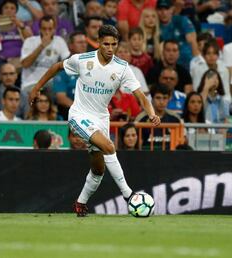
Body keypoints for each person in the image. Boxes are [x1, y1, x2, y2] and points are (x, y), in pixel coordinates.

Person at [29, 25, 161, 217]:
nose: (110, 48)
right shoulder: (82, 60)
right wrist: (36, 88)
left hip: (101, 119)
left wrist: (151, 113)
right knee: (109, 146)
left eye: (114, 44)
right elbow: (57, 67)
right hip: (79, 115)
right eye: (106, 44)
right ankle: (129, 195)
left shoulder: (122, 68)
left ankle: (80, 203)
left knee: (98, 169)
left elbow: (140, 95)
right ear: (98, 42)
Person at [135, 83, 181, 149]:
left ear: (169, 99)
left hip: (171, 156)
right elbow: (137, 144)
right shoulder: (141, 118)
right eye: (158, 98)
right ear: (152, 98)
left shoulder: (175, 118)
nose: (161, 102)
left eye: (165, 98)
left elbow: (182, 140)